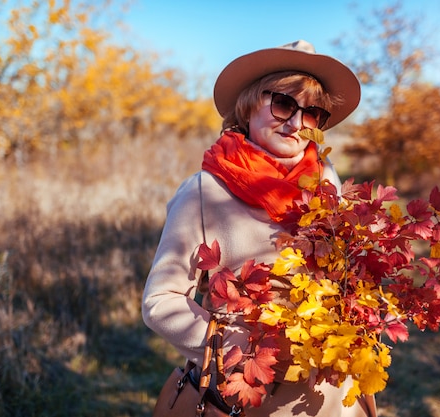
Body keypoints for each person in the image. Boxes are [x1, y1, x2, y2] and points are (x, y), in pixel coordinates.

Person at [142, 40, 374, 417]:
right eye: (283, 104)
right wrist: (232, 345)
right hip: (246, 397)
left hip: (332, 398)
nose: (297, 123)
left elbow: (350, 277)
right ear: (249, 105)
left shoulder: (329, 187)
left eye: (312, 113)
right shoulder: (204, 191)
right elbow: (160, 301)